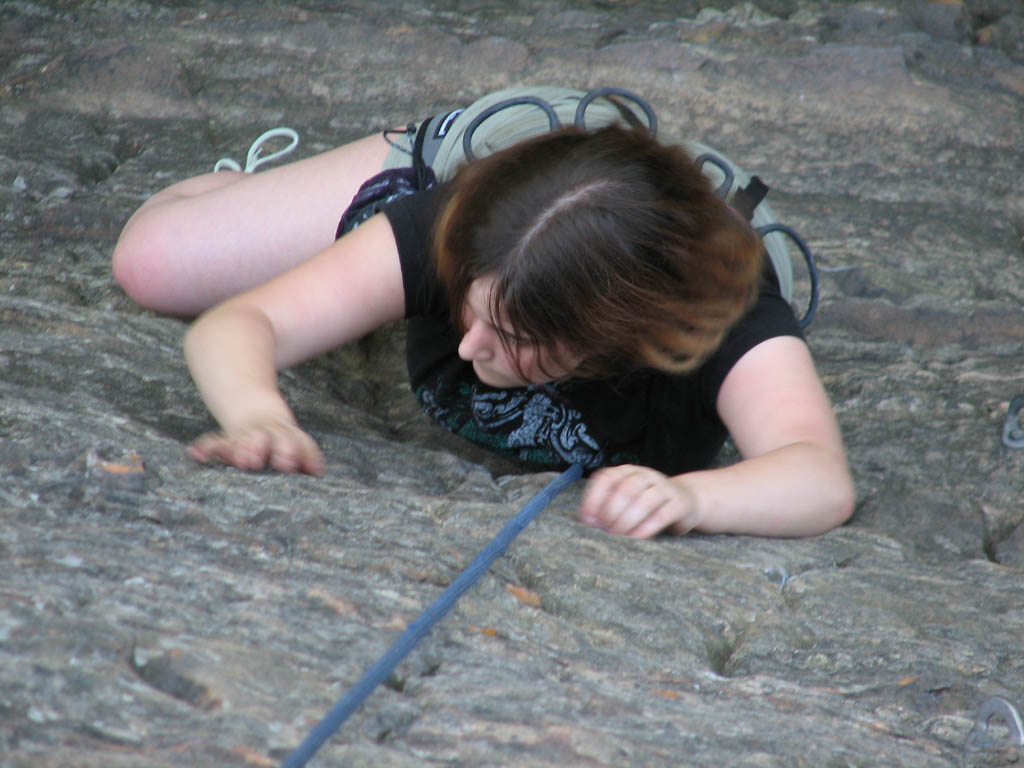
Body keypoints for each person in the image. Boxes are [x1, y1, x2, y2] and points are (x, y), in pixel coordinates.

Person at [112, 86, 854, 539]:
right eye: (470, 313)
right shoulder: (466, 229)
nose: (468, 349)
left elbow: (818, 475)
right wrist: (257, 414)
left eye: (516, 339)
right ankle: (271, 184)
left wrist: (689, 497)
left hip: (642, 227)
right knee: (149, 262)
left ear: (617, 337)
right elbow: (242, 324)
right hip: (510, 153)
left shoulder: (720, 321)